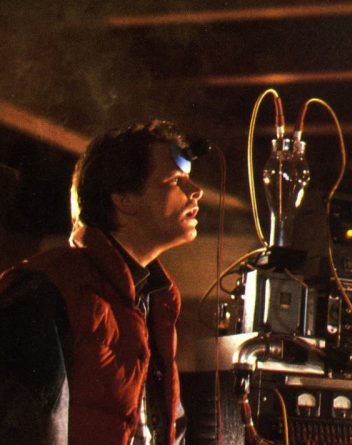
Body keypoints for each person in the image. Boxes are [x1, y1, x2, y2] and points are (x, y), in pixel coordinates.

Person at [0, 119, 205, 444]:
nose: (196, 191)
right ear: (124, 199)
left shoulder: (156, 302)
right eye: (175, 180)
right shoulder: (48, 288)